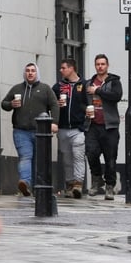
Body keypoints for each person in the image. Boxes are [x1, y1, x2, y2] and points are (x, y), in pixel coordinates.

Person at [1, 63, 59, 197]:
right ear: (24, 73)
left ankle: (37, 187)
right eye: (27, 71)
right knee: (26, 156)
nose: (30, 73)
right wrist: (11, 104)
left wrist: (54, 123)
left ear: (37, 73)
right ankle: (25, 183)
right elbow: (4, 104)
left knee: (38, 160)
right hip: (21, 131)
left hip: (40, 132)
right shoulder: (17, 88)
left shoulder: (45, 89)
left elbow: (54, 105)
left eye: (33, 71)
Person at [85, 53, 123, 199]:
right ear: (95, 66)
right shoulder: (89, 83)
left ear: (107, 66)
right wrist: (85, 110)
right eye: (98, 64)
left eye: (103, 64)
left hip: (110, 126)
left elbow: (116, 96)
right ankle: (96, 179)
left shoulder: (114, 82)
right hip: (92, 125)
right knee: (91, 153)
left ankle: (109, 186)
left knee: (110, 158)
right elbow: (82, 101)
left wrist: (98, 91)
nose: (100, 67)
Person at [52, 59, 89, 198]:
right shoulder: (58, 87)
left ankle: (78, 184)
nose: (61, 70)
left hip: (78, 128)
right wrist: (56, 104)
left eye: (63, 68)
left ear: (71, 68)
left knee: (78, 156)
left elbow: (89, 103)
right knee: (67, 159)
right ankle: (69, 184)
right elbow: (50, 104)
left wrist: (86, 121)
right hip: (62, 127)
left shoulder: (84, 85)